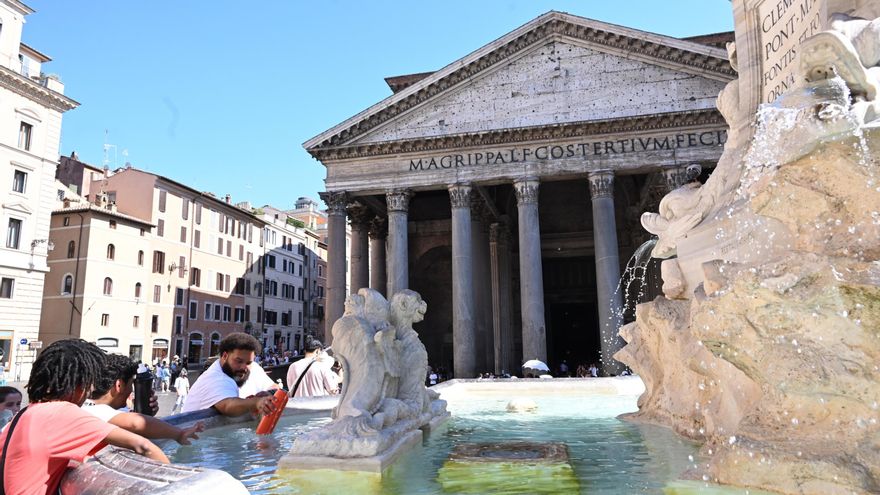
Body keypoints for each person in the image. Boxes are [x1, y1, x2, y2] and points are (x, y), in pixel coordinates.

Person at [0, 339, 168, 495]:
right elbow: (144, 446)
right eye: (90, 382)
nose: (91, 390)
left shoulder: (24, 413)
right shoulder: (63, 413)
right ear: (80, 385)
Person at [83, 353, 203, 444]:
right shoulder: (95, 411)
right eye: (131, 384)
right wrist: (179, 434)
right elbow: (136, 423)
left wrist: (146, 413)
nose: (131, 390)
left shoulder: (86, 405)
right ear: (119, 385)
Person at [181, 333, 277, 417]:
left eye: (248, 362)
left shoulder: (252, 367)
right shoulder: (215, 378)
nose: (244, 367)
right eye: (239, 361)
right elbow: (227, 406)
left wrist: (268, 394)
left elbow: (275, 388)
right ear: (225, 356)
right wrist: (256, 402)